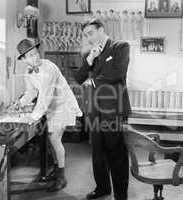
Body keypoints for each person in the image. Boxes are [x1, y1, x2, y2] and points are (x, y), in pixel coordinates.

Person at [9, 38, 82, 192]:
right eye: (30, 56)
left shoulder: (49, 67)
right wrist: (20, 103)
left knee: (55, 139)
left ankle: (61, 177)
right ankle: (56, 171)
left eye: (36, 53)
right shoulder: (27, 72)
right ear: (24, 59)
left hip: (62, 105)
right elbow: (32, 92)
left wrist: (33, 117)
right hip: (51, 108)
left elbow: (46, 96)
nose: (35, 57)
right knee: (51, 139)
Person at [74, 19, 131, 200]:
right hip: (94, 110)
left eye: (91, 33)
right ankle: (102, 188)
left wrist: (93, 82)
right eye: (85, 35)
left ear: (101, 30)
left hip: (113, 109)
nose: (88, 38)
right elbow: (78, 77)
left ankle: (121, 195)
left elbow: (117, 73)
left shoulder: (120, 47)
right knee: (98, 152)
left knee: (117, 153)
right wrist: (90, 59)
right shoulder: (89, 54)